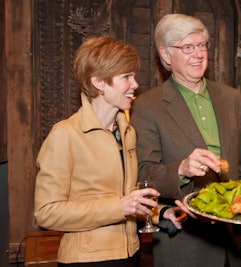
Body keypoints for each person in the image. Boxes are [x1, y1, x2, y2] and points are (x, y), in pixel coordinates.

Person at [34, 36, 182, 267]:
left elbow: (127, 194)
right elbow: (46, 212)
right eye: (126, 77)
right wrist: (119, 207)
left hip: (131, 255)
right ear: (99, 83)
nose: (135, 84)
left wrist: (160, 213)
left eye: (133, 76)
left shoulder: (126, 132)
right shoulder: (65, 134)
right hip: (87, 260)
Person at [131, 13, 241, 267]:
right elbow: (143, 174)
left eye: (202, 45)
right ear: (166, 55)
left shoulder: (230, 98)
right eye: (188, 47)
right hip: (184, 246)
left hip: (232, 245)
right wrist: (181, 169)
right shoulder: (149, 106)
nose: (199, 54)